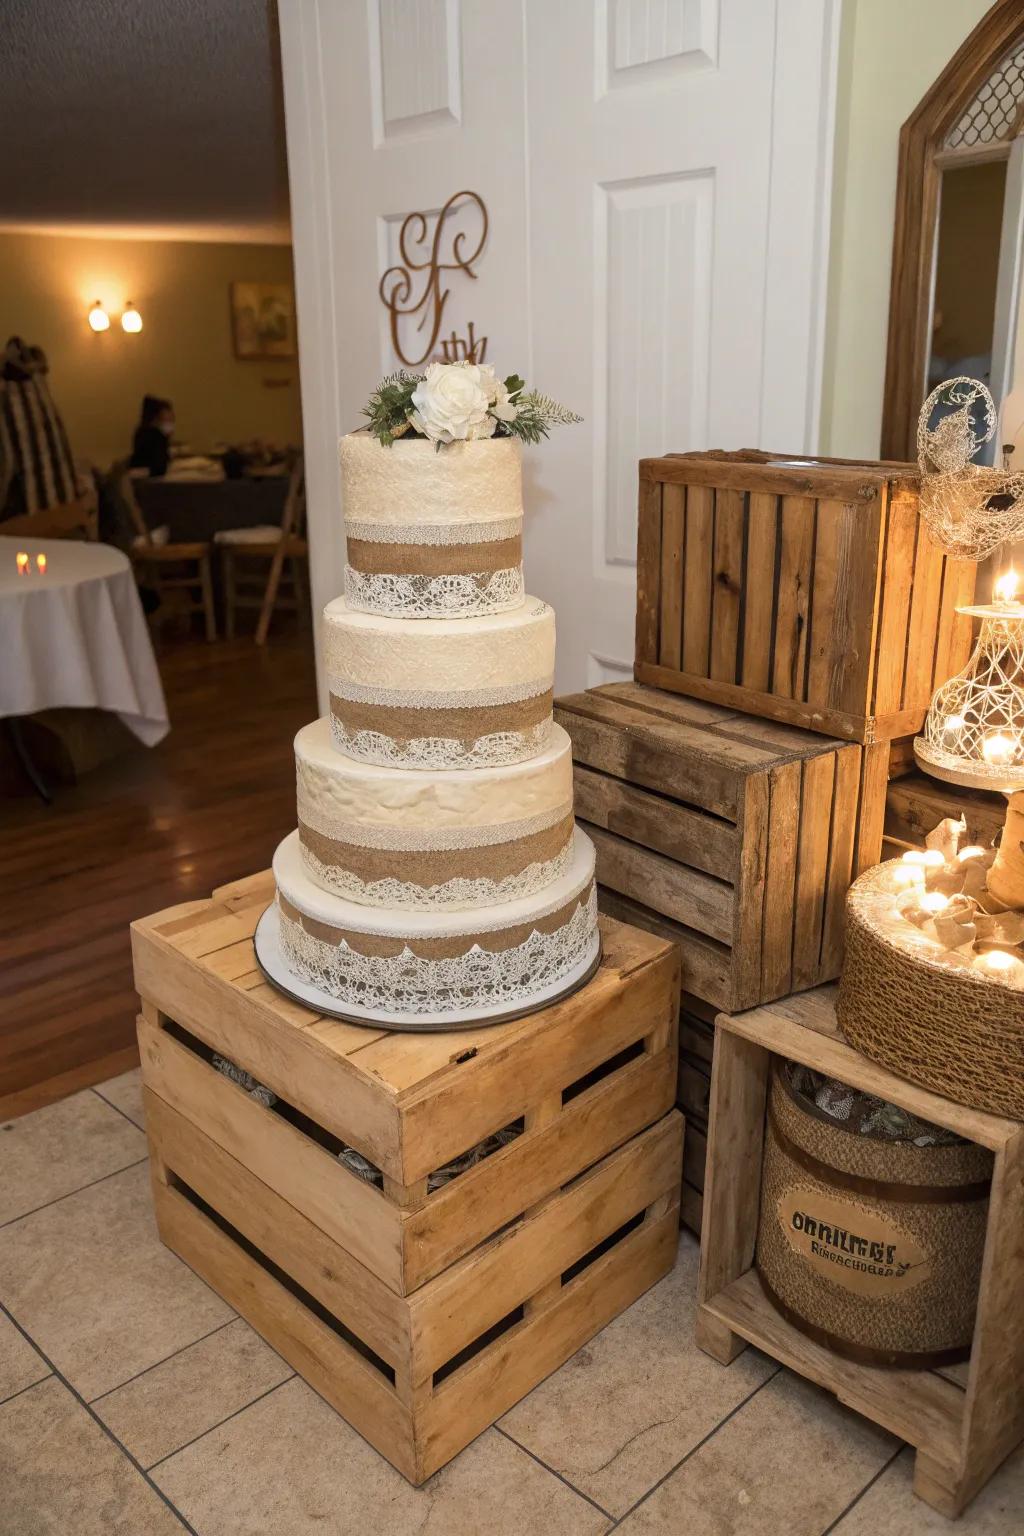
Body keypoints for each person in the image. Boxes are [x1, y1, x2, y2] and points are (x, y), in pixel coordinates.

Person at [130, 395, 175, 477]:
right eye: (167, 420)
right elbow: (159, 468)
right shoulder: (156, 436)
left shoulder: (143, 432)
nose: (170, 425)